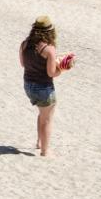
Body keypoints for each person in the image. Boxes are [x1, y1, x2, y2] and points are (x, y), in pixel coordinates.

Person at [20, 15, 74, 157]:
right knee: (47, 119)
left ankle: (39, 142)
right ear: (50, 31)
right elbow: (51, 73)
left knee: (42, 114)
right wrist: (63, 68)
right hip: (43, 88)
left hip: (28, 85)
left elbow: (23, 64)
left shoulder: (24, 44)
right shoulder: (49, 49)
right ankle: (45, 151)